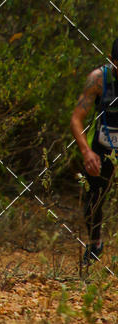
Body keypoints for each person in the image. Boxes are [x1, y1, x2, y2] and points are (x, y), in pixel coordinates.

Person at [70, 38, 118, 264]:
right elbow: (76, 120)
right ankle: (95, 244)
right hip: (101, 146)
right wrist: (86, 152)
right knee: (93, 199)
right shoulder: (98, 79)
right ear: (112, 61)